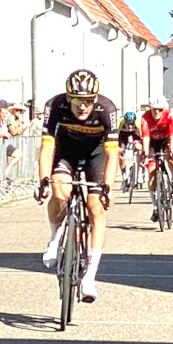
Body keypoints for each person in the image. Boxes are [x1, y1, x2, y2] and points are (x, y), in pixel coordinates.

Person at [36, 69, 119, 302]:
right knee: (60, 191)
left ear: (95, 99)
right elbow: (46, 148)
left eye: (88, 101)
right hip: (66, 152)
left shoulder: (107, 109)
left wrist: (108, 187)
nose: (83, 107)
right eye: (77, 101)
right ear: (68, 97)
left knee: (96, 208)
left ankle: (90, 277)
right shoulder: (55, 106)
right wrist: (43, 179)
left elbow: (113, 156)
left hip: (96, 154)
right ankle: (55, 237)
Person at [140, 96, 173, 221]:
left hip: (166, 140)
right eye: (154, 109)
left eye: (159, 110)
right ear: (150, 108)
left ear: (164, 109)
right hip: (152, 143)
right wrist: (145, 155)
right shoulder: (145, 118)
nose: (157, 112)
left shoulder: (170, 116)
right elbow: (145, 138)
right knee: (151, 173)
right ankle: (155, 206)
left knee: (172, 159)